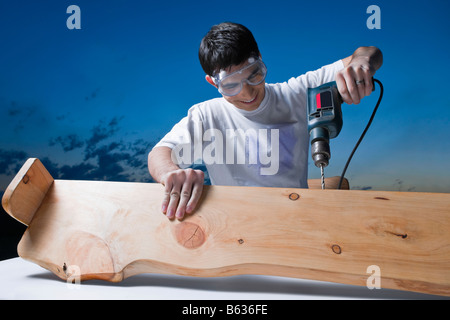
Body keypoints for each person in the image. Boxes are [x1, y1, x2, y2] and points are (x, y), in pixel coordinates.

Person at [148, 22, 383, 220]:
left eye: (254, 75)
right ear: (213, 83)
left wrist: (361, 64)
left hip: (296, 220)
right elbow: (159, 153)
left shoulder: (296, 94)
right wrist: (170, 173)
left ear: (260, 59)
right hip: (233, 224)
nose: (248, 94)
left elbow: (369, 52)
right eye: (231, 85)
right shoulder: (205, 115)